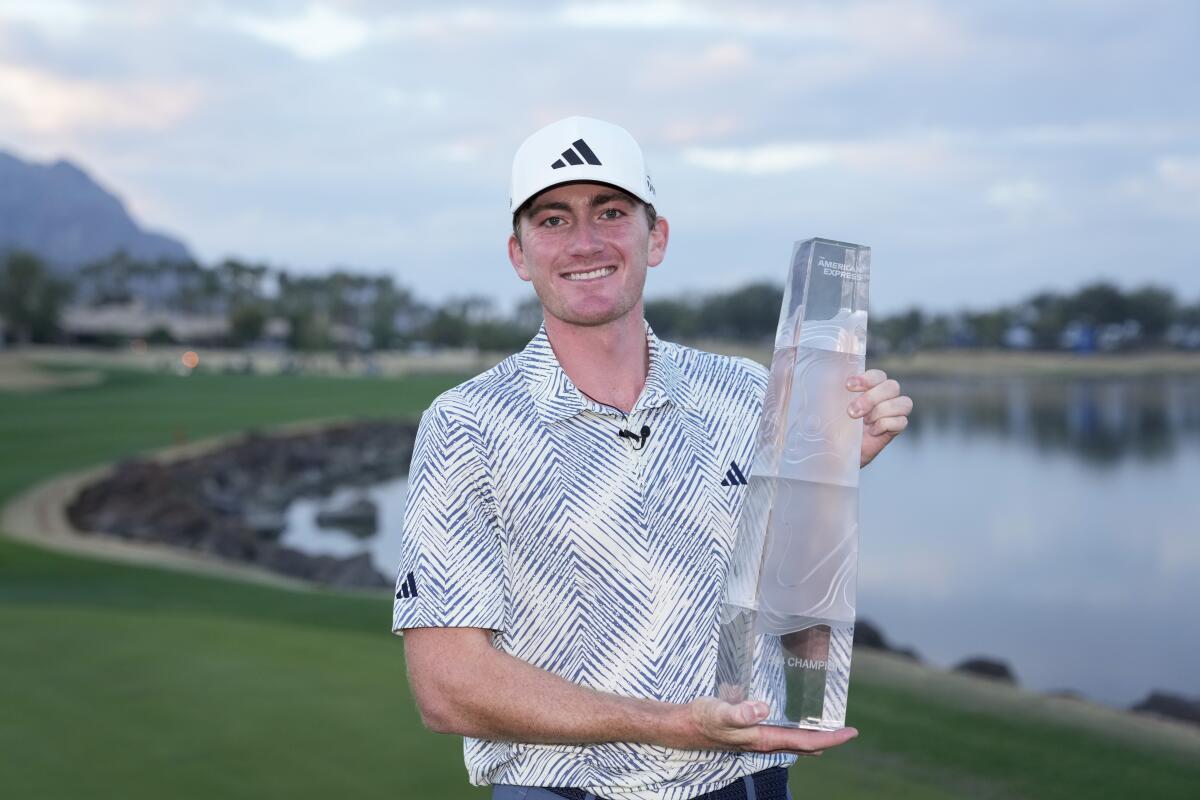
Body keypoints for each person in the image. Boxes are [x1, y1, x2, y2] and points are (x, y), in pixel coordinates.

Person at [392, 116, 913, 800]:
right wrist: (666, 725)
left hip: (745, 786)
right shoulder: (468, 424)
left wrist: (832, 471)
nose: (585, 241)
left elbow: (783, 596)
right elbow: (447, 686)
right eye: (553, 219)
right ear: (519, 254)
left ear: (655, 236)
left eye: (611, 212)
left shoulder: (748, 393)